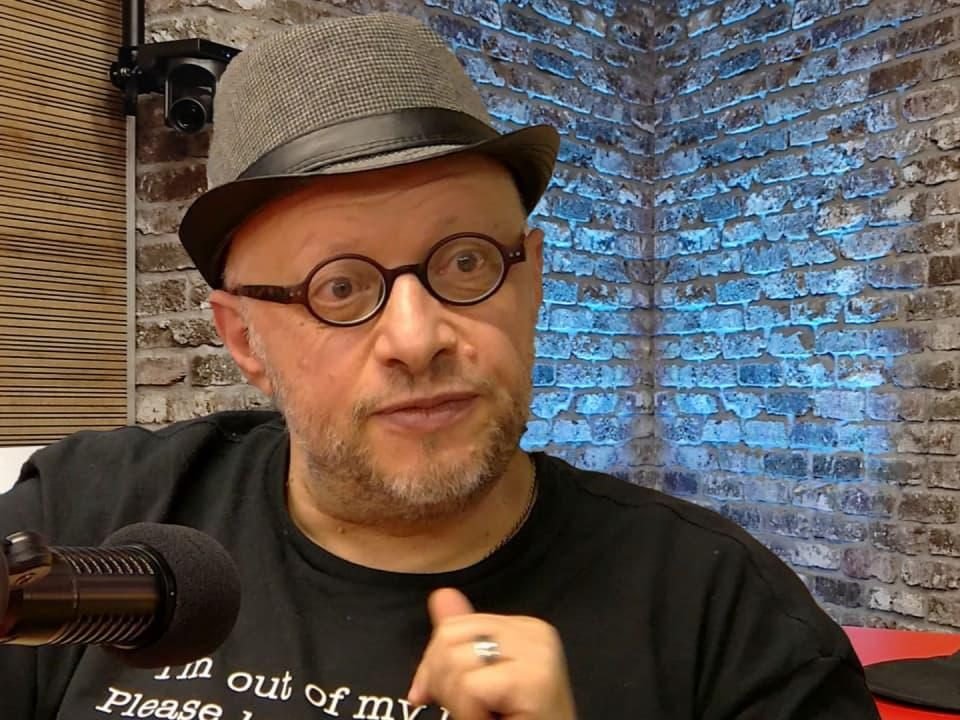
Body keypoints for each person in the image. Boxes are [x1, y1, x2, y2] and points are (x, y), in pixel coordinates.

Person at [0, 12, 880, 720]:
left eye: (465, 263)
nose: (418, 338)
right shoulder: (89, 519)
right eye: (339, 287)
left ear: (532, 282)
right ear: (242, 340)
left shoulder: (727, 620)